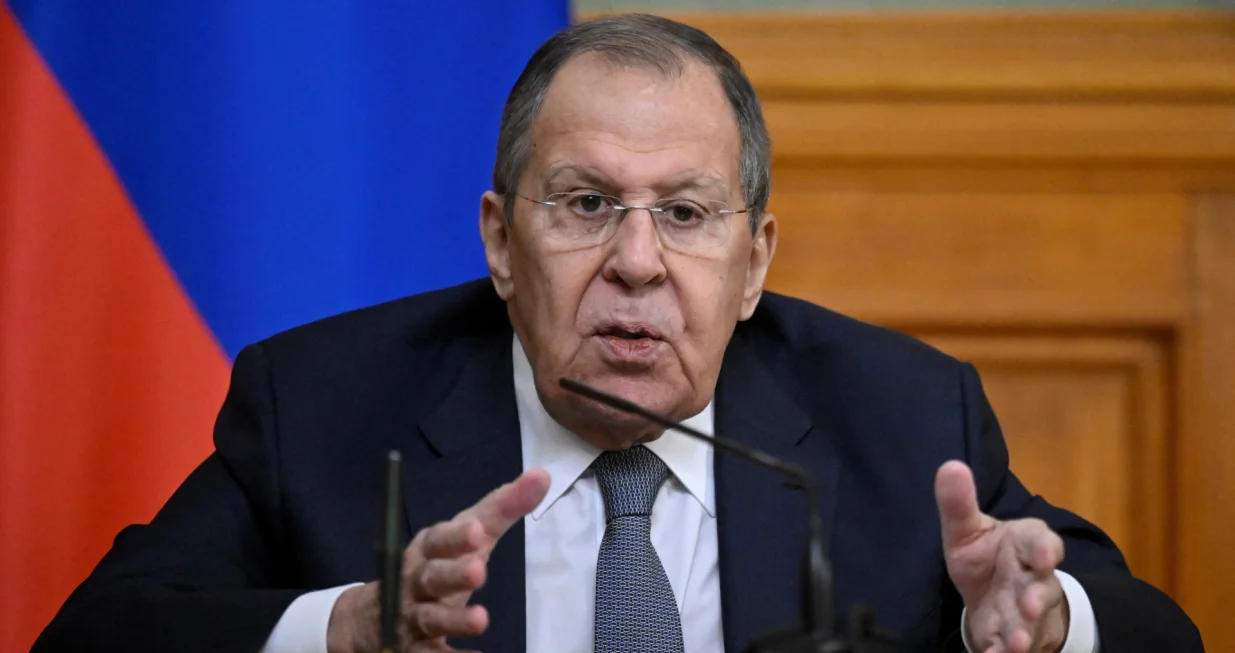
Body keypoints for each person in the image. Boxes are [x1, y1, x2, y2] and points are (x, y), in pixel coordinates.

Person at [33, 13, 1201, 653]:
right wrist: (341, 626)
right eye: (586, 204)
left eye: (685, 214)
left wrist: (1049, 622)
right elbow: (98, 634)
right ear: (500, 241)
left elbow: (1158, 632)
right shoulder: (326, 403)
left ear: (754, 262)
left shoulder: (899, 416)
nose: (636, 261)